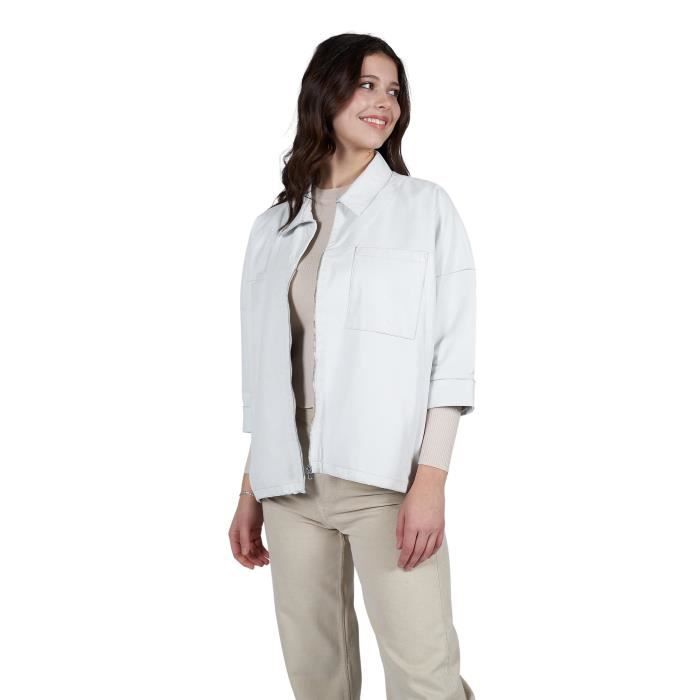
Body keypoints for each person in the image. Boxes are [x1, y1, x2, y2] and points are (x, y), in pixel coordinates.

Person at [229, 33, 477, 700]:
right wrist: (251, 488)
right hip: (288, 482)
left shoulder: (424, 208)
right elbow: (269, 373)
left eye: (393, 91)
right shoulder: (272, 227)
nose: (384, 103)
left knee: (424, 674)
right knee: (317, 678)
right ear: (326, 91)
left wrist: (431, 481)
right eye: (367, 85)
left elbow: (451, 358)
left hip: (385, 475)